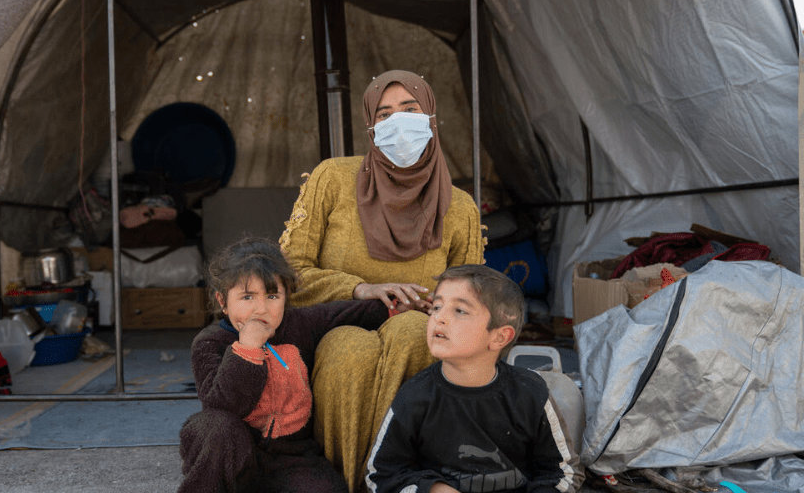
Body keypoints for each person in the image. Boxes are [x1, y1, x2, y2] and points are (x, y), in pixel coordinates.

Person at [278, 70, 485, 490]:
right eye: (385, 114)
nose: (399, 123)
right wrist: (361, 290)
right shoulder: (332, 179)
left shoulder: (460, 207)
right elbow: (288, 269)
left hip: (420, 328)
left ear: (431, 118)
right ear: (371, 127)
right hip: (337, 320)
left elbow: (476, 294)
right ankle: (345, 482)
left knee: (411, 334)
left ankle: (397, 480)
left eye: (410, 110)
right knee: (346, 350)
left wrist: (440, 306)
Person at [177, 237, 421, 493]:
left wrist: (393, 306)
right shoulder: (209, 343)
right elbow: (221, 407)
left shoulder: (299, 325)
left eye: (272, 295)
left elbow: (343, 313)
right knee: (217, 428)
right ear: (222, 302)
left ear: (286, 296)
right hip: (231, 450)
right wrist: (247, 350)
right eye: (247, 297)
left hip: (290, 458)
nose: (261, 309)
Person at [365, 264, 582, 493]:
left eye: (460, 311)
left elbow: (564, 473)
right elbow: (379, 476)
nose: (440, 318)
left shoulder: (530, 394)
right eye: (437, 306)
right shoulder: (414, 397)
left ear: (499, 337)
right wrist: (432, 490)